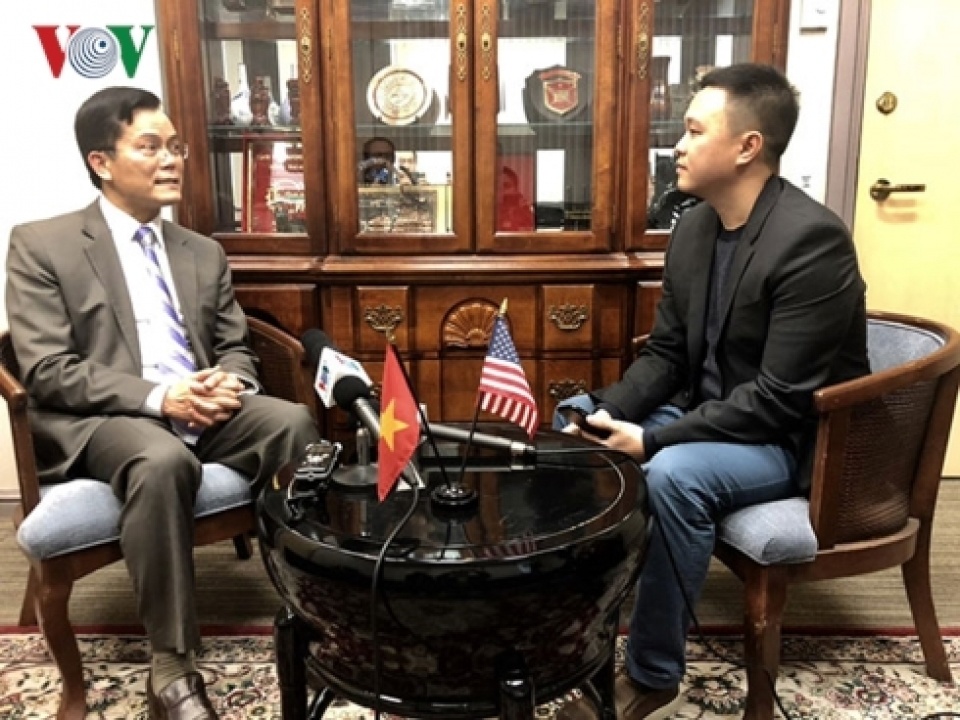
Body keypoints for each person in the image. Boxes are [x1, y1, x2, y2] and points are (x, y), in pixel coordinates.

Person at [554, 63, 869, 719]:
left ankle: (653, 677)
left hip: (784, 438)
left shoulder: (813, 242)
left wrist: (655, 440)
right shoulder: (695, 227)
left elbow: (779, 400)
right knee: (576, 424)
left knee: (673, 475)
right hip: (708, 413)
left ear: (748, 146)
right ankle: (570, 646)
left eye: (695, 130)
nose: (678, 145)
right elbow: (667, 355)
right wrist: (606, 411)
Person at [5, 86, 319, 719]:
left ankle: (315, 606)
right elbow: (48, 369)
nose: (172, 159)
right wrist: (159, 396)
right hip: (105, 418)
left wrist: (231, 383)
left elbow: (234, 345)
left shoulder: (201, 251)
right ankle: (171, 666)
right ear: (101, 161)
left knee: (293, 422)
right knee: (160, 459)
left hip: (198, 403)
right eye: (150, 147)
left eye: (175, 147)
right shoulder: (43, 244)